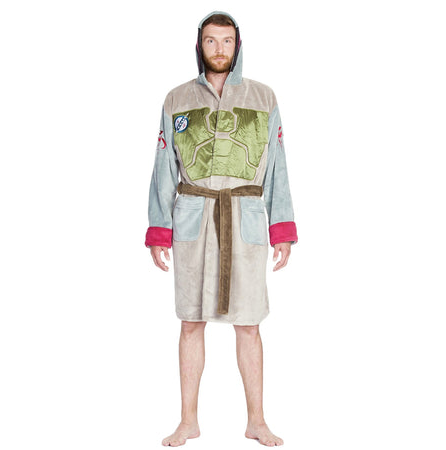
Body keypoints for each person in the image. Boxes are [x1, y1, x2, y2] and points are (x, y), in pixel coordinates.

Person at [145, 11, 298, 447]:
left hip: (245, 219)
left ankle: (257, 421)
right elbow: (162, 168)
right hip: (193, 219)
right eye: (211, 41)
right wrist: (159, 229)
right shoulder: (176, 99)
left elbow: (278, 167)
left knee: (248, 325)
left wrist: (281, 228)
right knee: (191, 322)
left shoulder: (263, 97)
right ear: (200, 45)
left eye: (226, 41)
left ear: (238, 45)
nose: (219, 49)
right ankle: (188, 421)